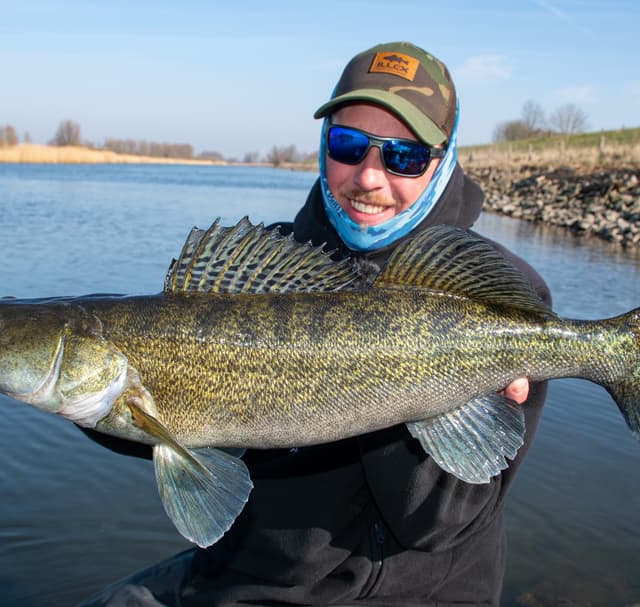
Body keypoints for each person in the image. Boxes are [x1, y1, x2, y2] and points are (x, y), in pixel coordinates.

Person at [78, 41, 551, 607]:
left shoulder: (495, 298)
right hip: (258, 587)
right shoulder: (258, 265)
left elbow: (436, 524)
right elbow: (177, 431)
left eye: (403, 156)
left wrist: (400, 377)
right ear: (324, 143)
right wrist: (89, 397)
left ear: (444, 159)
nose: (370, 176)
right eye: (348, 144)